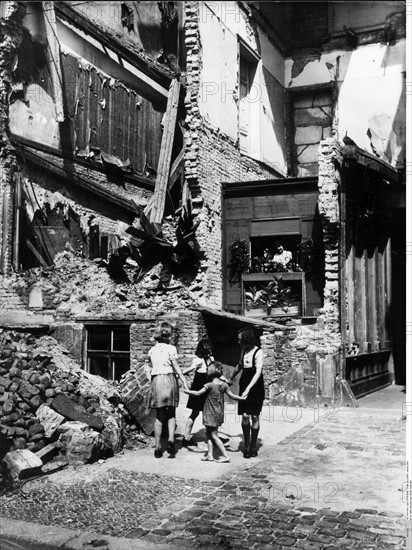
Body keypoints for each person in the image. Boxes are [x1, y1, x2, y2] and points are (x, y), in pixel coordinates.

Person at [184, 361, 246, 463]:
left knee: (213, 435)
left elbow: (197, 393)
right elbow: (233, 396)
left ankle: (225, 455)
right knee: (209, 434)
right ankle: (210, 455)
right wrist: (242, 398)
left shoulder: (209, 385)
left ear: (210, 372)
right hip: (218, 412)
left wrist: (187, 391)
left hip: (209, 412)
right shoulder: (224, 385)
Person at [148, 321, 188, 458]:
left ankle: (158, 446)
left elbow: (149, 367)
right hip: (170, 379)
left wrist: (151, 381)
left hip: (157, 380)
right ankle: (171, 440)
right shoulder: (171, 349)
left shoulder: (152, 350)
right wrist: (183, 379)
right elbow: (175, 366)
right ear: (169, 335)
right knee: (171, 413)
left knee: (159, 416)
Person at [228, 327, 265, 459]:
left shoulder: (258, 352)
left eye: (240, 340)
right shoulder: (243, 351)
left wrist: (248, 389)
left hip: (256, 386)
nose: (238, 342)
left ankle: (254, 445)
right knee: (245, 416)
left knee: (254, 416)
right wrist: (230, 378)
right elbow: (239, 365)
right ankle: (247, 445)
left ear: (246, 339)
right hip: (244, 382)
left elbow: (258, 373)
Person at [181, 337, 214, 447]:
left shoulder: (212, 359)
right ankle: (186, 437)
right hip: (199, 388)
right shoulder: (198, 360)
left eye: (210, 349)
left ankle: (213, 436)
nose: (209, 352)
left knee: (208, 413)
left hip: (208, 389)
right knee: (195, 413)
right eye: (207, 350)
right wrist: (180, 374)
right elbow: (189, 370)